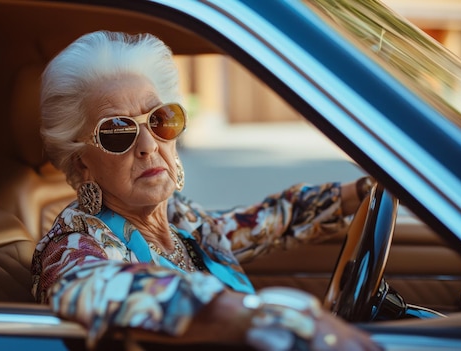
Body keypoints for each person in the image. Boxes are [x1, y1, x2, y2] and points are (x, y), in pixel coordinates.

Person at [32, 30, 380, 351]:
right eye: (118, 131)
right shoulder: (75, 242)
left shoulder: (181, 218)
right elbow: (93, 286)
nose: (149, 145)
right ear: (82, 163)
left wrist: (364, 190)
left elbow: (267, 221)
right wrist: (258, 315)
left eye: (160, 118)